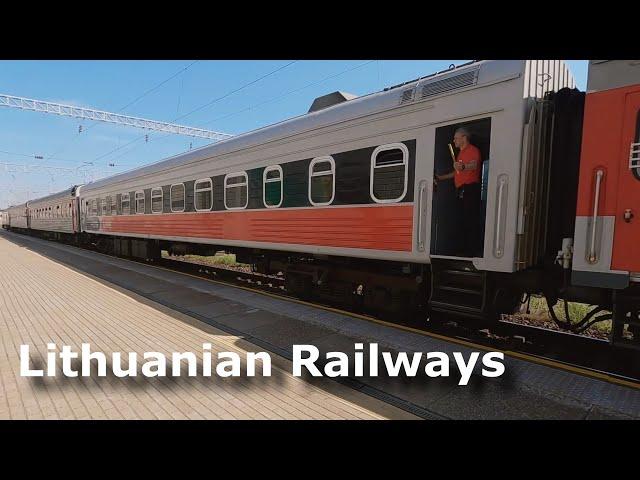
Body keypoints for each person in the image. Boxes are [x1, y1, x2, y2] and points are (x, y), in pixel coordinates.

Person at [435, 127, 482, 257]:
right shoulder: (461, 153)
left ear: (464, 138)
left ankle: (471, 251)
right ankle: (462, 248)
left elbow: (473, 165)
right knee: (461, 219)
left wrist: (463, 166)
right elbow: (457, 173)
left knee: (470, 220)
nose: (454, 140)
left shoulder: (472, 150)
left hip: (470, 189)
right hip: (461, 190)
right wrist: (441, 178)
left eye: (456, 138)